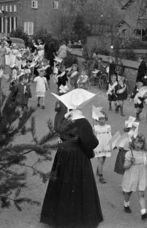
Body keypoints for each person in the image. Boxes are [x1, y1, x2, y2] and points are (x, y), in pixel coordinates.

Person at [40, 89, 103, 228]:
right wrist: (92, 134)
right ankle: (76, 218)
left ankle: (59, 216)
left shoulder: (65, 118)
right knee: (78, 183)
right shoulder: (84, 123)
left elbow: (61, 135)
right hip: (77, 156)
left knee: (62, 183)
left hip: (63, 153)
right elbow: (92, 143)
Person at [122, 134, 147, 220]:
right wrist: (130, 162)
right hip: (131, 174)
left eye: (141, 142)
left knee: (141, 193)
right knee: (128, 192)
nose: (138, 144)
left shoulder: (144, 152)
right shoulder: (129, 153)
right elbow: (125, 166)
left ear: (143, 144)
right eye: (136, 142)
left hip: (141, 174)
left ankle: (143, 212)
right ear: (133, 143)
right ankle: (126, 204)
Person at [93, 112, 112, 184]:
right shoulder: (95, 128)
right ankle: (101, 176)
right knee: (100, 160)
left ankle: (98, 169)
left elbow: (110, 136)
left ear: (105, 119)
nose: (101, 120)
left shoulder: (108, 127)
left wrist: (112, 144)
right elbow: (93, 137)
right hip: (99, 146)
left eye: (103, 119)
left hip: (106, 145)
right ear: (97, 120)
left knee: (103, 160)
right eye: (100, 119)